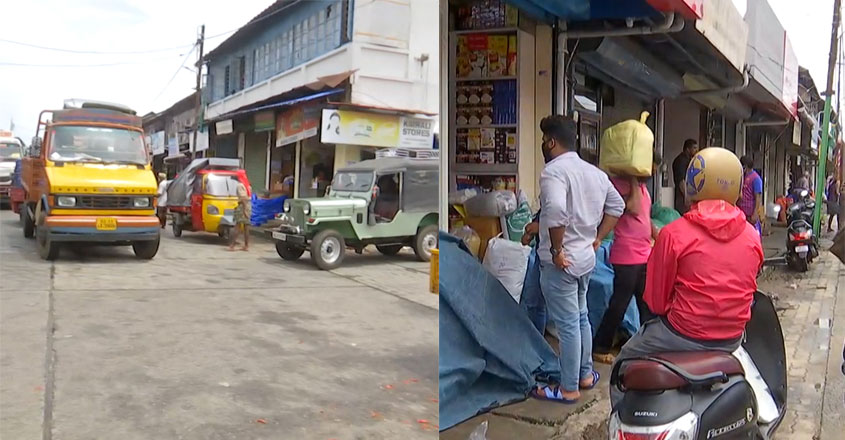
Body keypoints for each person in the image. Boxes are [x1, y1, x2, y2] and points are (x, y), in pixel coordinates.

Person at [610, 148, 763, 407]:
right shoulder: (752, 236)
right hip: (732, 337)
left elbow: (656, 303)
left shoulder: (673, 234)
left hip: (681, 334)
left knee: (621, 364)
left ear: (693, 183)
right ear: (737, 188)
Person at [529, 115, 625, 404]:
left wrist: (557, 250)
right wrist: (597, 238)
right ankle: (584, 374)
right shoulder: (594, 173)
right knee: (581, 317)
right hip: (585, 258)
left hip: (562, 263)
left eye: (544, 140)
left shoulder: (553, 172)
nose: (543, 145)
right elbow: (617, 205)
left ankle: (568, 387)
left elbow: (556, 211)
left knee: (569, 324)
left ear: (551, 142)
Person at [592, 152, 663, 364]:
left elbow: (644, 215)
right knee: (619, 303)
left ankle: (649, 346)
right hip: (627, 255)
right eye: (651, 167)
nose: (653, 172)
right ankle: (600, 346)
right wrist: (632, 178)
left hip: (644, 253)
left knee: (646, 302)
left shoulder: (641, 187)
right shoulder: (621, 184)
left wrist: (655, 233)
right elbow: (630, 207)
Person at [738, 156, 764, 238]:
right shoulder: (743, 177)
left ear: (745, 166)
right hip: (742, 213)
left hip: (750, 214)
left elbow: (758, 197)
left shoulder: (755, 178)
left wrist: (755, 213)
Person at [672, 139, 699, 214]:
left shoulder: (688, 160)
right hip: (682, 197)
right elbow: (681, 181)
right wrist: (687, 197)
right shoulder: (681, 161)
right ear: (687, 149)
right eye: (694, 148)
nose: (696, 150)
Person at [228, 180, 252, 252]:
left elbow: (243, 198)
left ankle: (232, 245)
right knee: (246, 226)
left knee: (237, 226)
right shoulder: (248, 186)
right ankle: (246, 245)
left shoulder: (240, 186)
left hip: (242, 206)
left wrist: (244, 210)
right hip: (248, 205)